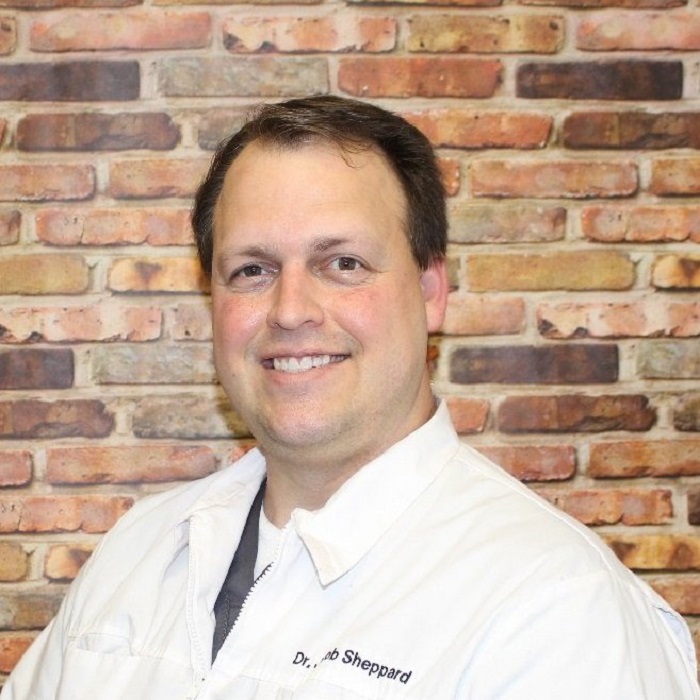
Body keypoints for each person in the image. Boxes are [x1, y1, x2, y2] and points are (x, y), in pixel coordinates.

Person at [2, 95, 699, 700]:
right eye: (252, 270)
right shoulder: (138, 551)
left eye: (343, 263)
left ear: (430, 291)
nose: (290, 310)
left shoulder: (556, 611)